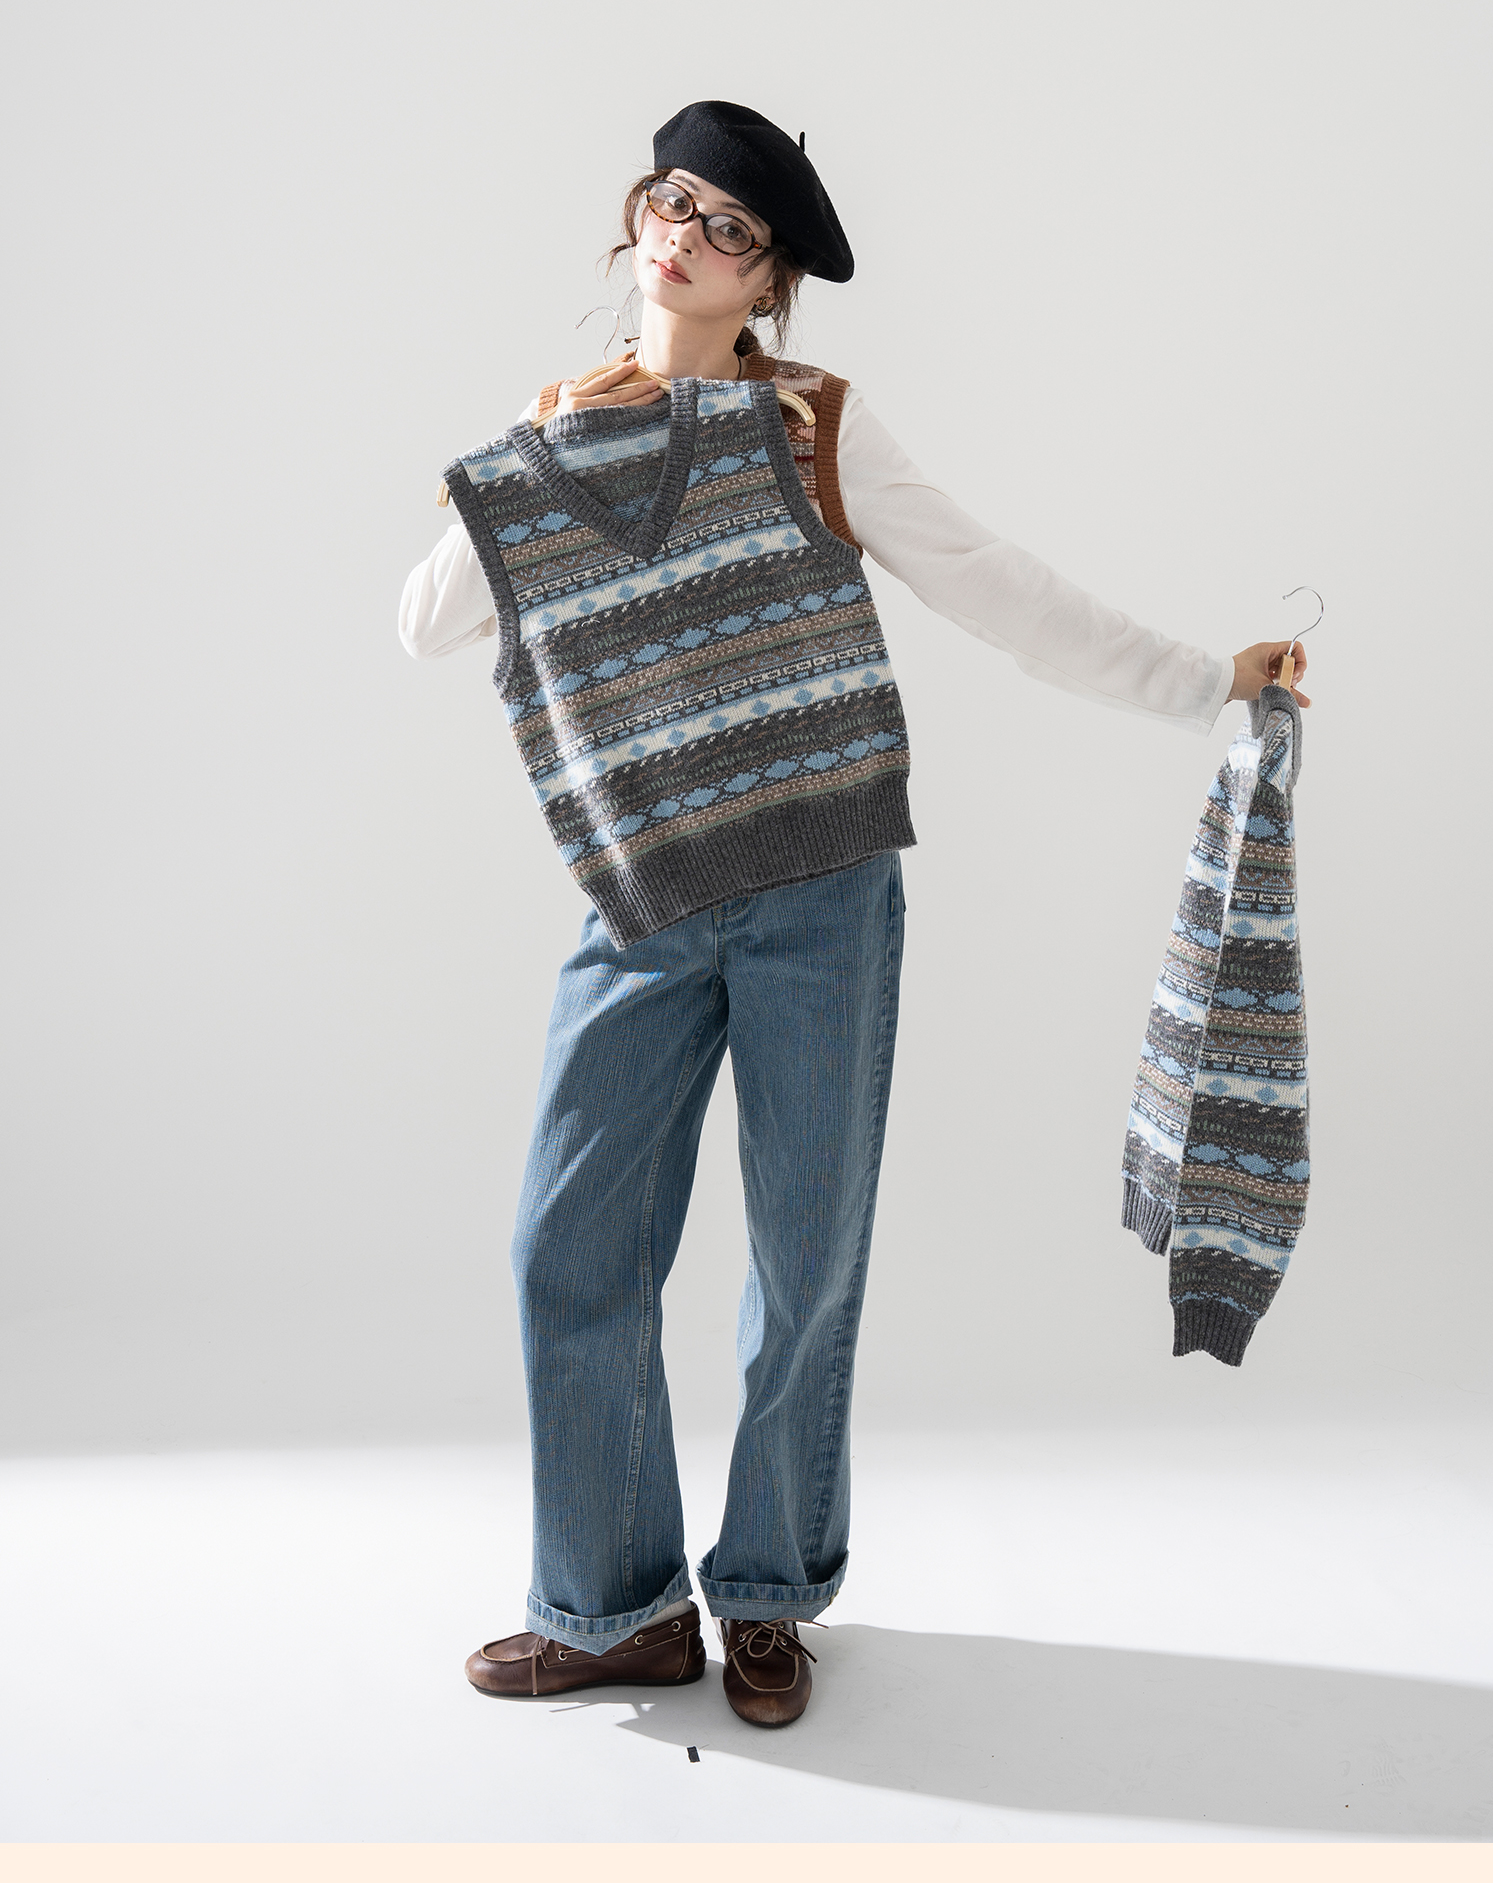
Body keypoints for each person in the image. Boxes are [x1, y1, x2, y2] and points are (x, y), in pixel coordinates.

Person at [399, 100, 1310, 1728]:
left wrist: (1203, 680)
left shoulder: (813, 424)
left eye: (730, 227)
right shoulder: (552, 437)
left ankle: (766, 1594)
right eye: (672, 199)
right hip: (642, 903)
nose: (687, 234)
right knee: (567, 1243)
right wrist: (542, 447)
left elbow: (993, 582)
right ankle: (613, 1610)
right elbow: (425, 622)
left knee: (804, 1257)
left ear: (769, 282)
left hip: (825, 892)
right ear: (637, 217)